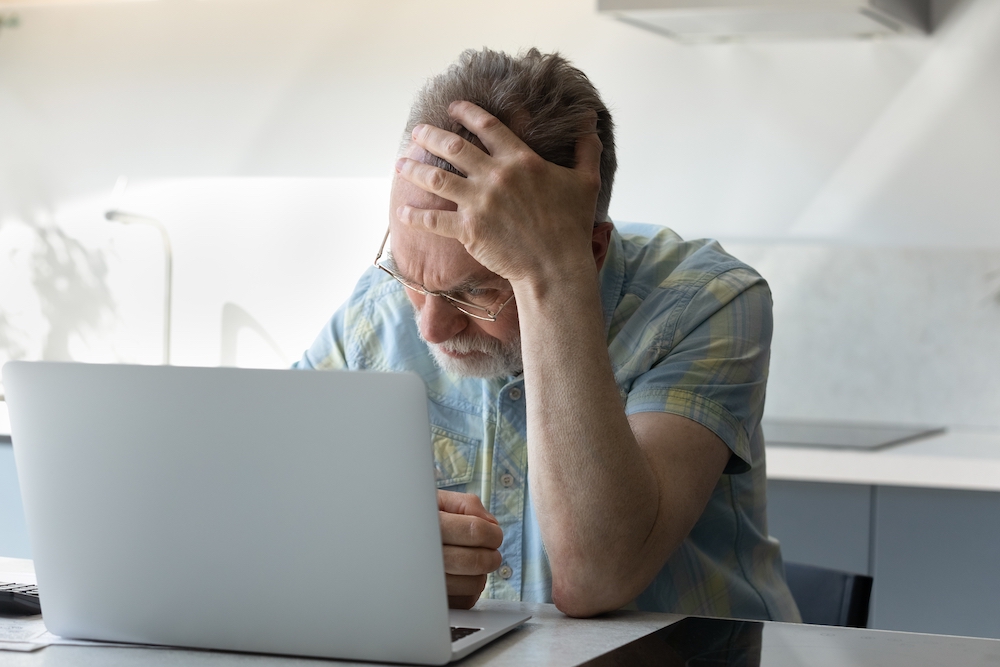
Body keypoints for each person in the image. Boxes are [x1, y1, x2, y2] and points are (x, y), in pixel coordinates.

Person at [295, 47, 801, 621]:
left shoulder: (706, 303)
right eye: (410, 278)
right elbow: (268, 494)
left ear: (589, 250)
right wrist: (375, 545)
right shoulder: (377, 308)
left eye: (475, 292)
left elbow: (596, 576)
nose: (431, 326)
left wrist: (551, 276)